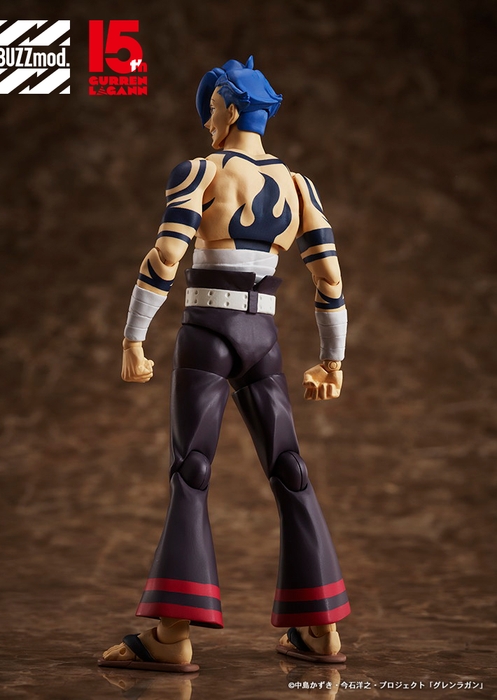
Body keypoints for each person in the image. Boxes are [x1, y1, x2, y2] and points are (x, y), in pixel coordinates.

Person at [99, 57, 350, 673]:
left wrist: (133, 338)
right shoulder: (298, 185)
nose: (208, 120)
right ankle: (320, 629)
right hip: (263, 336)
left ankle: (171, 634)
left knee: (191, 470)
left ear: (232, 109)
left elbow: (166, 256)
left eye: (212, 108)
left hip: (208, 333)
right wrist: (332, 360)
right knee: (289, 468)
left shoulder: (202, 171)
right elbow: (330, 278)